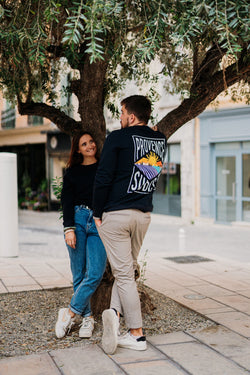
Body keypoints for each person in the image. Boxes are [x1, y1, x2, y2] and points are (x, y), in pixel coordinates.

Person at [93, 95, 166, 354]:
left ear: (131, 116)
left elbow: (103, 176)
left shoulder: (117, 138)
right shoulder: (159, 140)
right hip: (142, 216)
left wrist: (97, 211)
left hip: (116, 215)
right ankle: (113, 314)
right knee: (125, 271)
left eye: (122, 112)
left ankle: (137, 334)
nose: (120, 117)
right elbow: (148, 170)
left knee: (123, 275)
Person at [55, 131, 107, 339]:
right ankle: (88, 319)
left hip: (98, 223)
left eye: (91, 142)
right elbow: (66, 201)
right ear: (78, 149)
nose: (89, 146)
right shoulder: (72, 172)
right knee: (79, 274)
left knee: (94, 273)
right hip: (77, 220)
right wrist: (68, 229)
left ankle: (68, 313)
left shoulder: (104, 168)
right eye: (84, 144)